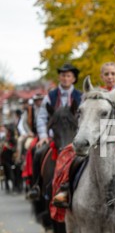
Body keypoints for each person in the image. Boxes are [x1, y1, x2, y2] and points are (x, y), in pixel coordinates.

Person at [52, 45, 115, 208]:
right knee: (69, 155)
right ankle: (66, 188)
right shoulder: (95, 94)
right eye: (106, 74)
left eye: (113, 73)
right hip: (96, 138)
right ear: (102, 76)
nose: (110, 77)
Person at [28, 63, 82, 200]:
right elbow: (41, 118)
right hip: (55, 138)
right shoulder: (50, 96)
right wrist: (43, 136)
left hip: (75, 138)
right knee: (37, 151)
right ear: (59, 77)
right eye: (63, 75)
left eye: (68, 76)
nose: (65, 78)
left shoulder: (81, 97)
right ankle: (36, 186)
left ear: (73, 79)